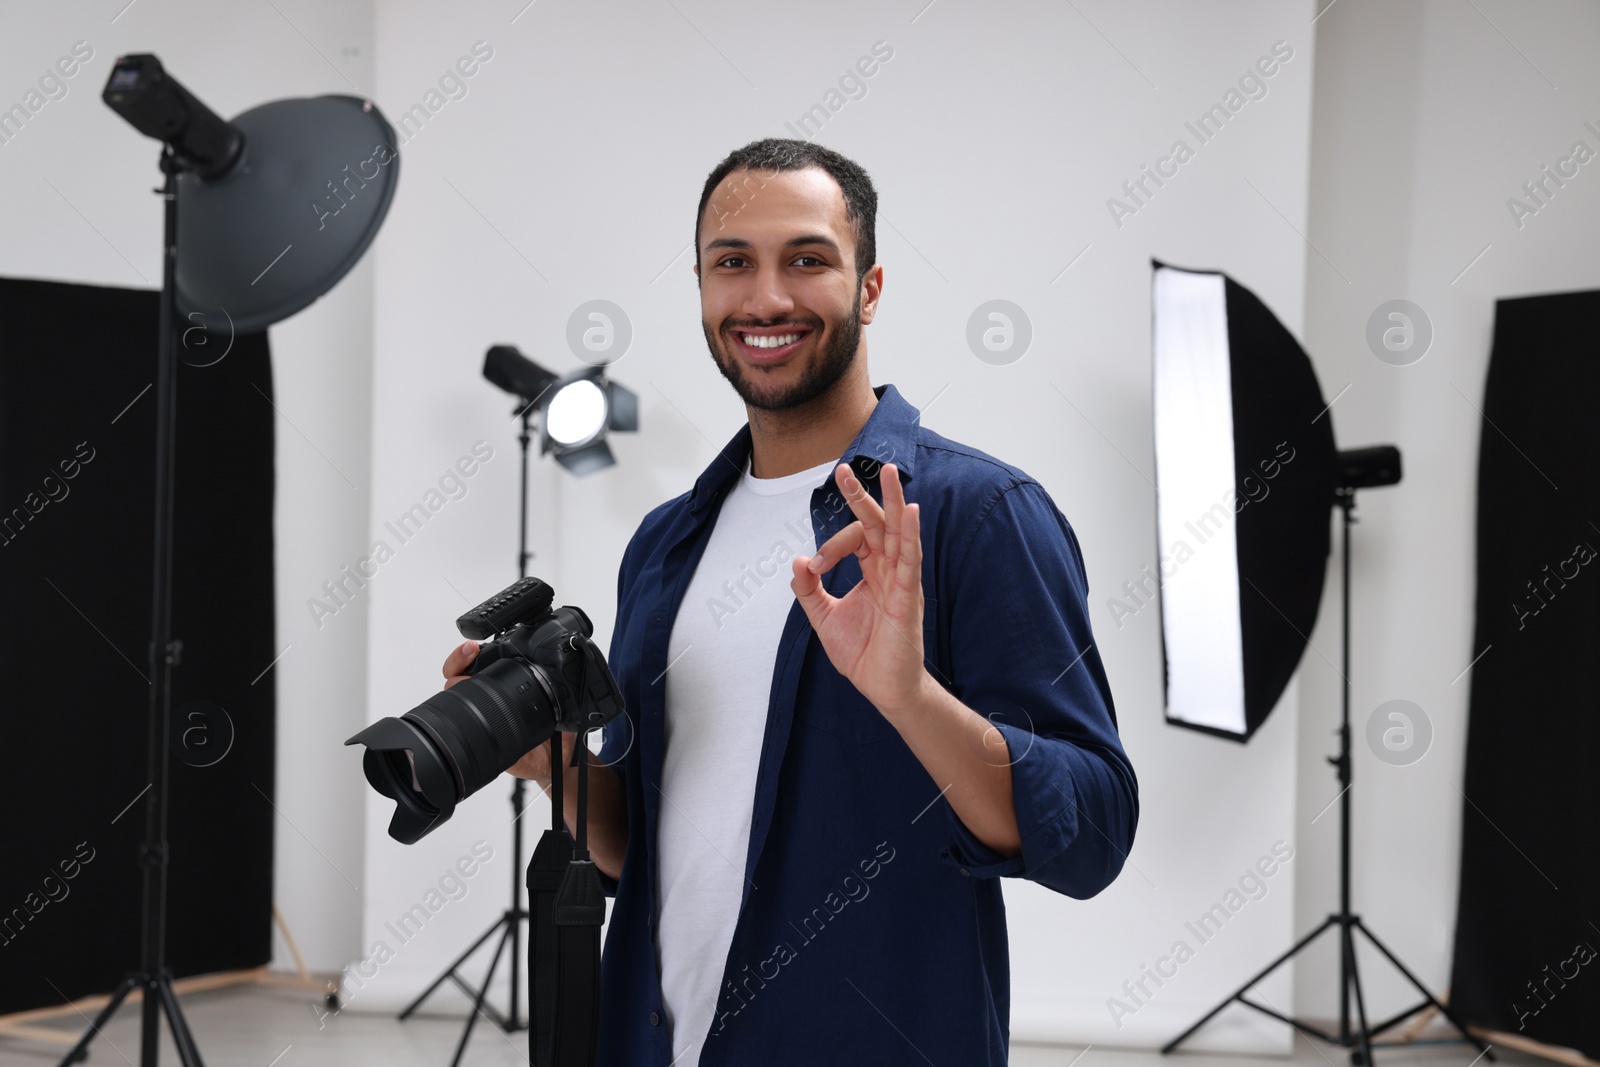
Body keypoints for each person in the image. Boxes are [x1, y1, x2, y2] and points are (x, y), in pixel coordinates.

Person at [441, 138, 1138, 1066]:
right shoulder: (666, 541)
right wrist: (553, 762)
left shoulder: (976, 514)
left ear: (870, 288)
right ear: (701, 288)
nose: (766, 298)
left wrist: (908, 697)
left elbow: (1092, 831)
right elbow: (643, 855)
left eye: (807, 260)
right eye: (734, 264)